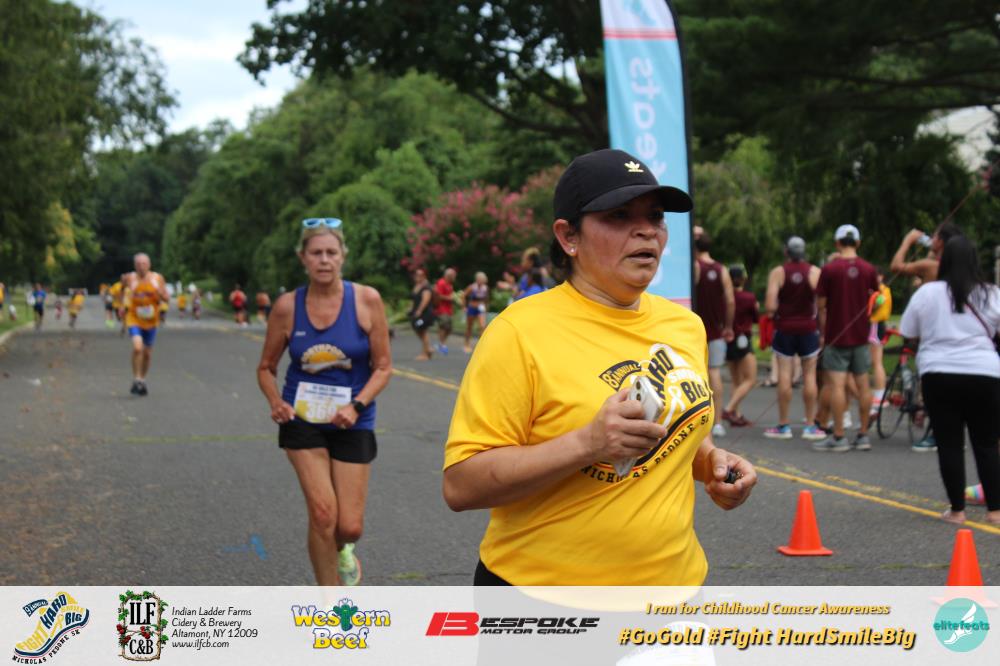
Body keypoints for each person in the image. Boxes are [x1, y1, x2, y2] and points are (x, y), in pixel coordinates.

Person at [443, 148, 756, 586]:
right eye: (619, 216)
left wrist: (712, 464)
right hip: (544, 596)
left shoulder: (685, 326)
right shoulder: (519, 331)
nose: (645, 230)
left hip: (672, 589)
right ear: (568, 236)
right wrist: (587, 443)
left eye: (655, 216)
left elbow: (677, 435)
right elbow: (461, 486)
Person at [256, 217, 392, 584]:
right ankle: (330, 604)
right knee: (322, 514)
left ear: (343, 256)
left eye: (332, 252)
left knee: (349, 526)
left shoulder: (366, 300)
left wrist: (356, 406)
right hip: (302, 420)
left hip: (352, 419)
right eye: (316, 253)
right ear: (303, 258)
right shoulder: (287, 307)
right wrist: (276, 402)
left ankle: (343, 549)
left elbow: (383, 367)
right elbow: (266, 368)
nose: (324, 260)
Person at [899, 236, 999, 525]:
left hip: (939, 373)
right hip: (985, 373)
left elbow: (908, 331)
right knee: (986, 444)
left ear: (943, 262)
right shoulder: (991, 293)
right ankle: (995, 511)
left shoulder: (928, 293)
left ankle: (957, 511)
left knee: (950, 443)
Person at [813, 225, 879, 452]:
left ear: (837, 243)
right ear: (857, 243)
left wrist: (823, 332)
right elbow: (876, 299)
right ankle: (863, 435)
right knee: (863, 385)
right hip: (861, 336)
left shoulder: (829, 269)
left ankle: (839, 436)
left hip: (836, 335)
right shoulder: (868, 269)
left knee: (837, 386)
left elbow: (821, 305)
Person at [763, 236, 825, 440]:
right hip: (808, 328)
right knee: (809, 376)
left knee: (784, 375)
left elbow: (770, 306)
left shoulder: (778, 272)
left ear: (786, 252)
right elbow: (822, 304)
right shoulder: (815, 272)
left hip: (785, 328)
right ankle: (810, 425)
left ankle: (784, 425)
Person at [693, 227, 735, 438]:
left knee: (695, 375)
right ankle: (717, 422)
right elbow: (730, 300)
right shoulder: (721, 269)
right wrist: (728, 326)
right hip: (717, 330)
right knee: (715, 372)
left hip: (695, 331)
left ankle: (699, 422)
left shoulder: (694, 267)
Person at [124, 253, 170, 396]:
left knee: (147, 353)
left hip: (151, 320)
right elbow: (121, 290)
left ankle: (142, 379)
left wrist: (160, 293)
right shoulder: (130, 278)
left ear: (149, 265)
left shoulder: (157, 278)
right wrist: (123, 302)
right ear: (135, 266)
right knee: (138, 348)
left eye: (144, 264)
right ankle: (136, 378)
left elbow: (166, 298)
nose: (141, 267)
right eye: (138, 264)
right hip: (134, 318)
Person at [722, 266, 758, 427]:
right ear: (743, 279)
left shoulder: (723, 298)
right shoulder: (749, 297)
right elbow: (756, 318)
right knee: (750, 379)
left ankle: (736, 415)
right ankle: (729, 409)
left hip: (728, 340)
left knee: (736, 381)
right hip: (743, 339)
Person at [867, 267, 892, 417]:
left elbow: (877, 304)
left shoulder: (881, 290)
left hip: (875, 325)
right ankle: (879, 394)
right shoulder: (883, 290)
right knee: (875, 361)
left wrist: (871, 297)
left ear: (881, 276)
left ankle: (879, 395)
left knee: (876, 361)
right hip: (877, 325)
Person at [409, 268, 435, 360]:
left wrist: (419, 311)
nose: (417, 276)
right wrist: (410, 308)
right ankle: (428, 349)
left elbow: (425, 300)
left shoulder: (426, 287)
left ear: (424, 276)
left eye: (420, 275)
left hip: (424, 314)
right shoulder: (417, 286)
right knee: (417, 328)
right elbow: (414, 299)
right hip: (417, 313)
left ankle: (425, 354)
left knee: (422, 330)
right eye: (416, 274)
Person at [462, 271, 489, 353]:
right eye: (480, 279)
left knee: (482, 326)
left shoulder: (485, 288)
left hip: (481, 309)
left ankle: (481, 345)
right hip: (472, 308)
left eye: (482, 280)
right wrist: (464, 307)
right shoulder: (472, 287)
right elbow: (463, 295)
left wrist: (486, 307)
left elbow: (486, 299)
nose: (481, 281)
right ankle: (466, 344)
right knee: (469, 327)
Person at [433, 268, 456, 355]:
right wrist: (449, 298)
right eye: (453, 276)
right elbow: (438, 295)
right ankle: (442, 344)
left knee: (449, 328)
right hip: (442, 309)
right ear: (449, 275)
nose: (454, 277)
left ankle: (441, 343)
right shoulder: (441, 283)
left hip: (449, 309)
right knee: (443, 327)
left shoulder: (449, 284)